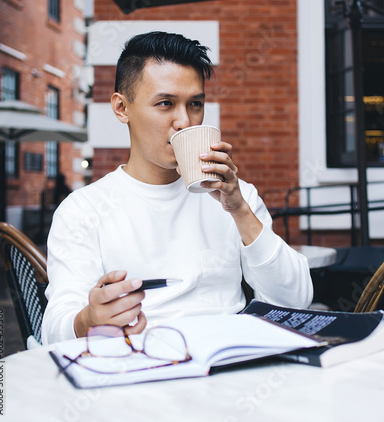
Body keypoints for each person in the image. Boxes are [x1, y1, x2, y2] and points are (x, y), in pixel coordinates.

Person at [42, 32, 313, 345]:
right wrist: (89, 319)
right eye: (166, 103)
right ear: (121, 108)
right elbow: (55, 329)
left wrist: (239, 210)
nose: (185, 121)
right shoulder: (84, 210)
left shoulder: (236, 197)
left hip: (231, 362)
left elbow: (296, 301)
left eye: (195, 104)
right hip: (141, 369)